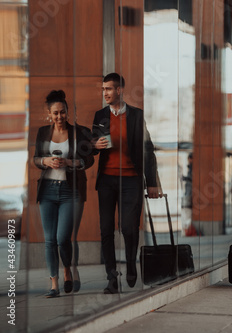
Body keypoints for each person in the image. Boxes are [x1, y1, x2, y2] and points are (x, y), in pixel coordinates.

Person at [92, 73, 160, 294]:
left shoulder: (136, 116)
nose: (105, 93)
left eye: (109, 89)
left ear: (119, 90)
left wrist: (152, 183)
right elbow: (92, 147)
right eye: (103, 89)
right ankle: (112, 278)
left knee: (129, 228)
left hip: (131, 179)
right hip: (107, 181)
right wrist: (95, 146)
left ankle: (131, 263)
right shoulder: (100, 115)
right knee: (105, 230)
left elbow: (147, 149)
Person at [33, 90, 94, 297]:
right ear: (49, 114)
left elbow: (89, 161)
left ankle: (67, 268)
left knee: (62, 238)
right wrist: (45, 161)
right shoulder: (42, 132)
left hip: (71, 192)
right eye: (56, 113)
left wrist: (70, 162)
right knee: (49, 240)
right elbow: (35, 159)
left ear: (68, 112)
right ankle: (53, 284)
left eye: (63, 112)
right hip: (48, 190)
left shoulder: (79, 133)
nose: (60, 117)